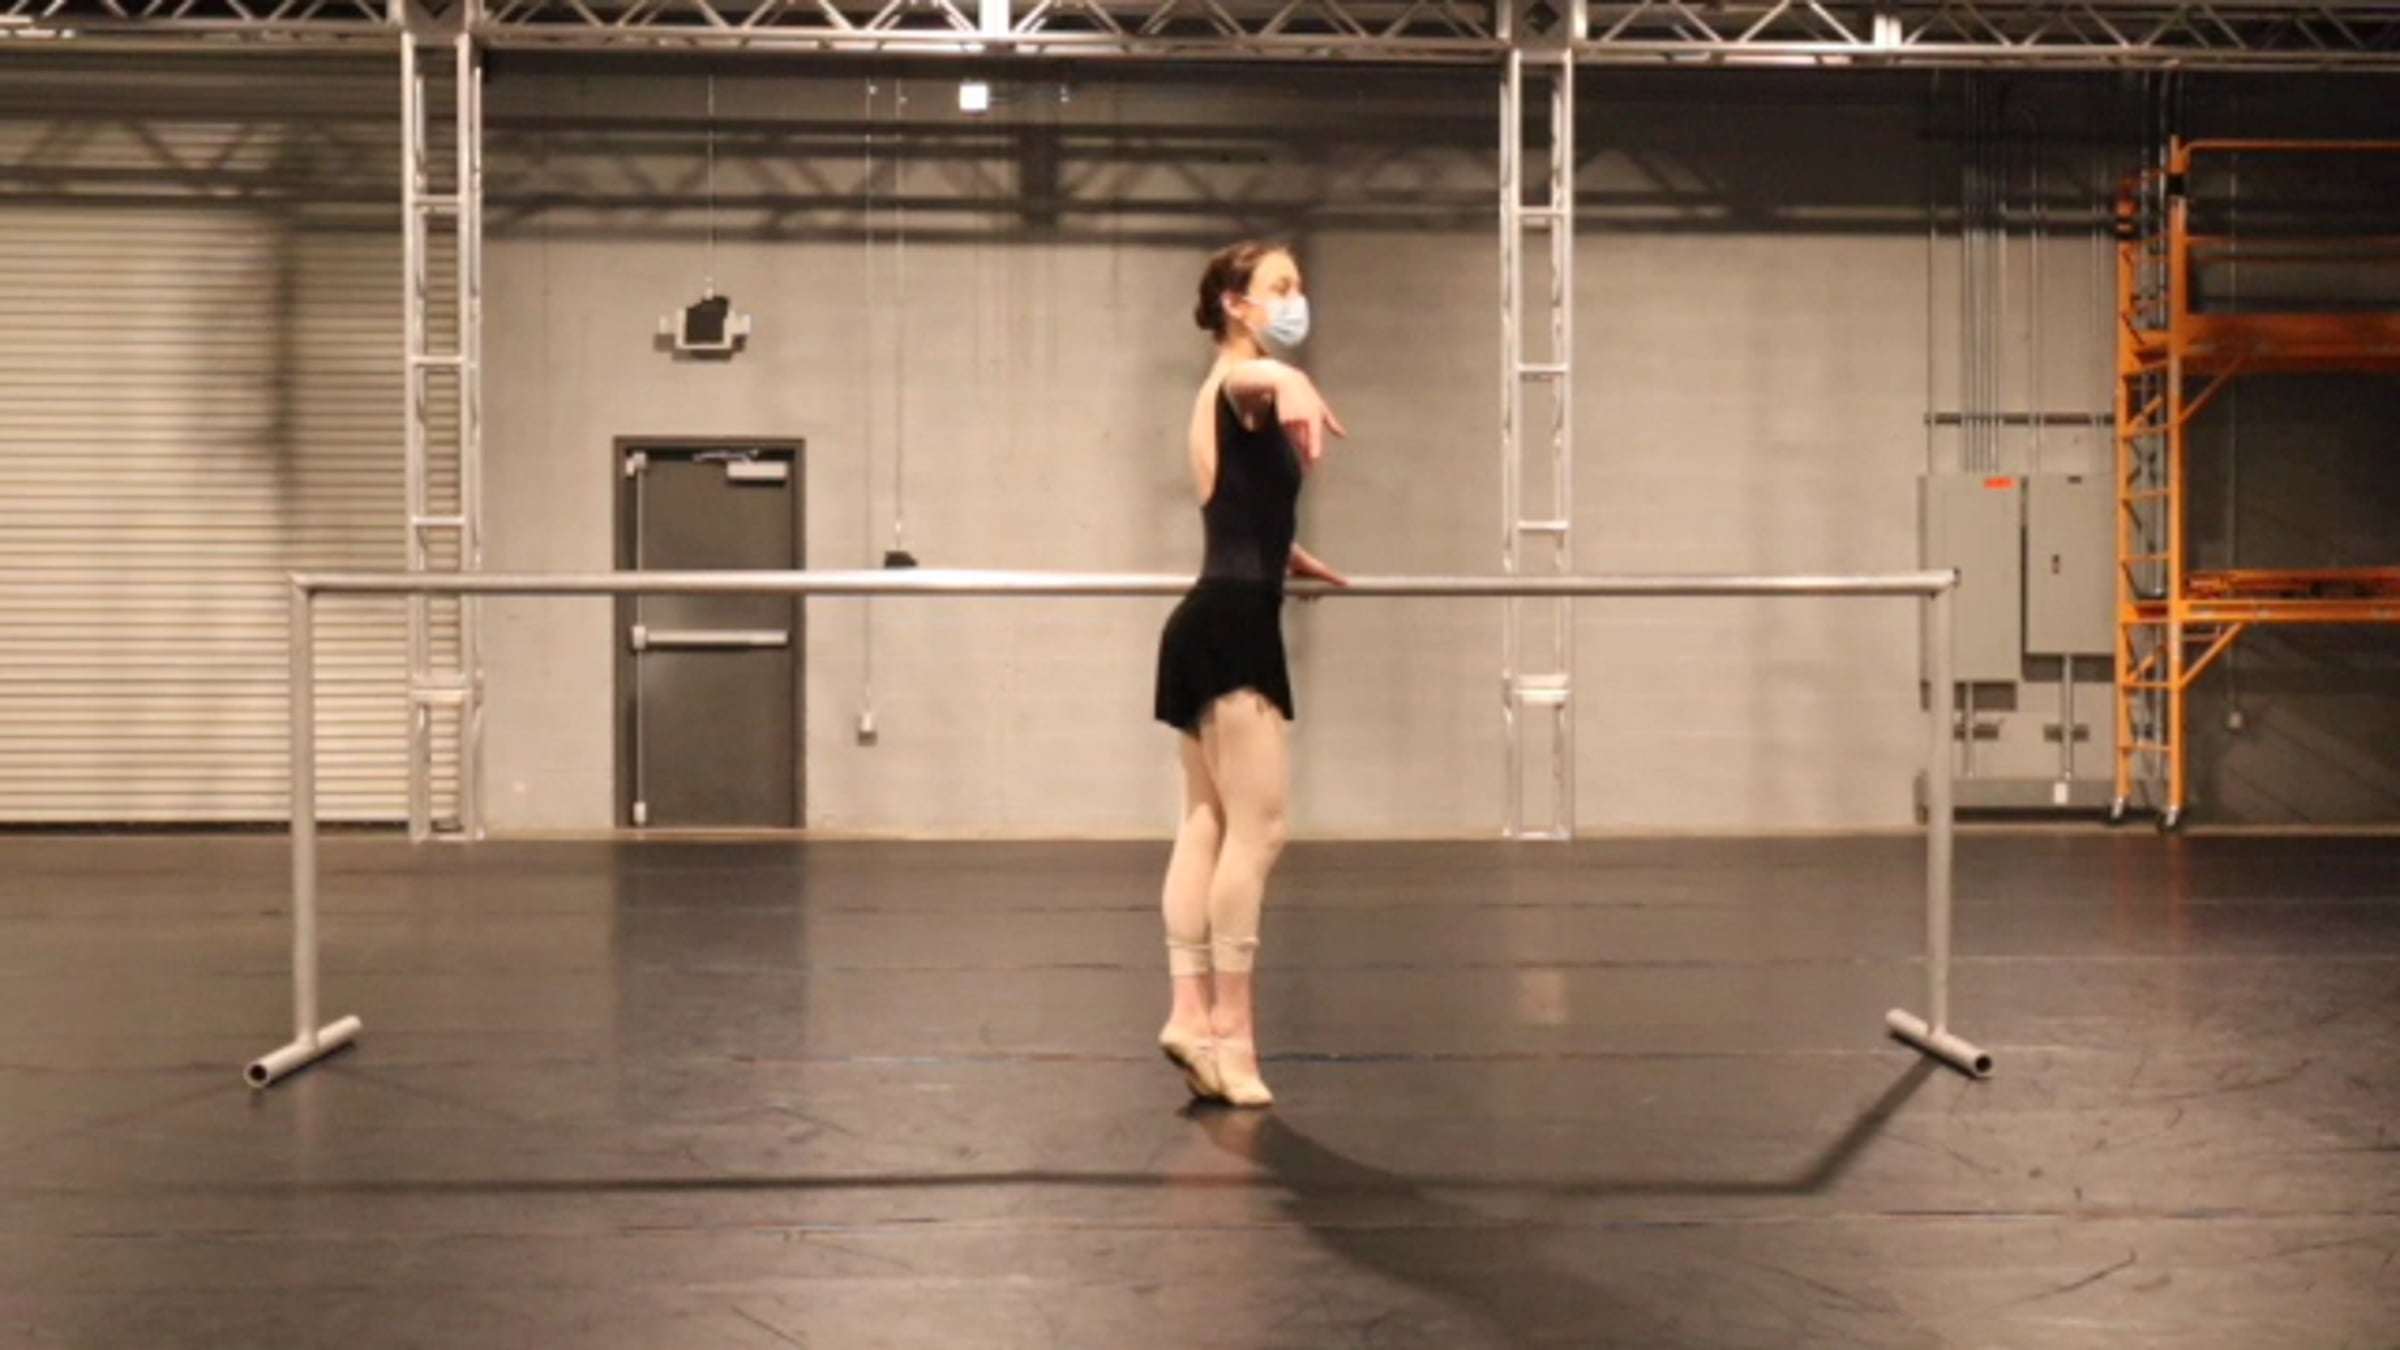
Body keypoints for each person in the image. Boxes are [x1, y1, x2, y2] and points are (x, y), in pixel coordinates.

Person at [1152, 241, 1348, 1108]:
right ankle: (1232, 1033)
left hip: (1215, 610)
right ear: (1237, 304)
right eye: (1280, 286)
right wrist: (1288, 378)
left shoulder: (1218, 392)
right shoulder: (1241, 383)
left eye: (1298, 285)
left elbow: (1236, 504)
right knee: (1260, 832)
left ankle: (1189, 1015)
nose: (1296, 299)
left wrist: (1282, 551)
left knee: (1207, 822)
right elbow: (1252, 385)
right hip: (1232, 624)